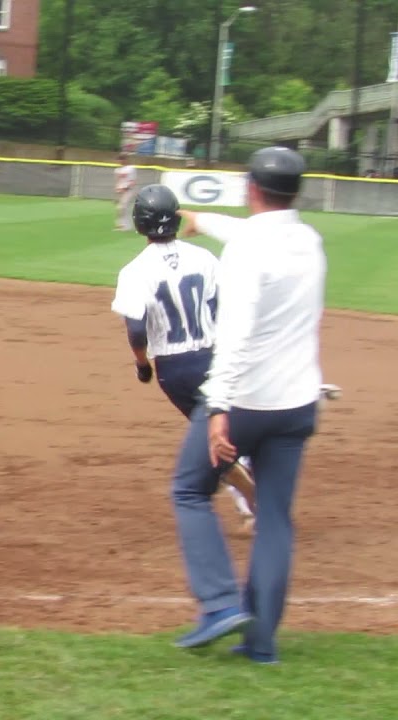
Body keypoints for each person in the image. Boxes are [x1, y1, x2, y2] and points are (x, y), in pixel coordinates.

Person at [169, 146, 325, 664]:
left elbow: (233, 337)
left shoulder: (246, 251)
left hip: (246, 401)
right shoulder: (308, 240)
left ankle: (218, 604)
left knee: (190, 489)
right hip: (299, 401)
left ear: (250, 188)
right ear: (294, 192)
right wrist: (202, 220)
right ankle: (262, 644)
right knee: (275, 516)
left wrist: (216, 409)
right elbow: (253, 235)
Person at [110, 184, 256, 533]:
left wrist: (142, 364)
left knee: (215, 437)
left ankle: (248, 496)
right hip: (214, 356)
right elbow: (222, 308)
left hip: (175, 370)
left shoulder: (134, 271)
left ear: (139, 223)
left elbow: (136, 329)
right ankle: (249, 498)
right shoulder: (204, 258)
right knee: (228, 425)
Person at [114, 153, 137, 231]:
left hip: (129, 191)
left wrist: (126, 188)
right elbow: (118, 180)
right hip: (121, 191)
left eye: (122, 159)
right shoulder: (117, 170)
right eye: (119, 160)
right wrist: (117, 188)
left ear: (126, 160)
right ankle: (121, 225)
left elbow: (133, 181)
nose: (120, 161)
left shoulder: (131, 168)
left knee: (124, 208)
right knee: (120, 208)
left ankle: (125, 226)